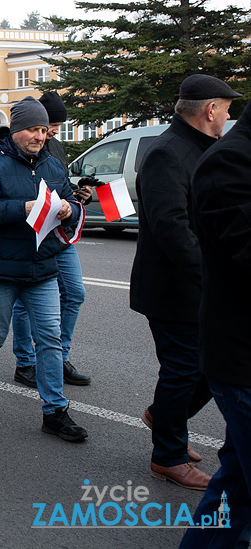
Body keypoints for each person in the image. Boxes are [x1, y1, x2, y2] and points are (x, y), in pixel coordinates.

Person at [130, 74, 236, 490]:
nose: (229, 116)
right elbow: (171, 226)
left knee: (209, 367)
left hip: (199, 285)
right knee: (184, 369)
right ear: (210, 110)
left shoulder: (202, 148)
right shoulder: (167, 154)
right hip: (174, 289)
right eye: (226, 108)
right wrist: (211, 277)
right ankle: (168, 456)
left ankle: (163, 416)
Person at [0, 97, 88, 441]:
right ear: (16, 130)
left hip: (43, 267)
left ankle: (55, 411)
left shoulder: (52, 165)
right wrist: (23, 207)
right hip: (0, 269)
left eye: (44, 130)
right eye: (33, 129)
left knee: (48, 338)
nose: (40, 136)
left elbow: (69, 201)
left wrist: (68, 210)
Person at [181, 84, 249, 547]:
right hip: (241, 353)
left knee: (238, 484)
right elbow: (169, 224)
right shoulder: (230, 161)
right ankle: (167, 446)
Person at [10, 92, 92, 389]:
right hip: (31, 235)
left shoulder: (54, 146)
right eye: (50, 124)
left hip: (59, 234)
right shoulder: (15, 147)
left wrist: (76, 194)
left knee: (75, 293)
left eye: (54, 126)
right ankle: (26, 362)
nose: (53, 131)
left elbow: (58, 183)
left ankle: (60, 356)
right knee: (23, 303)